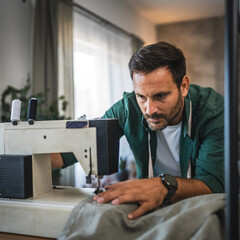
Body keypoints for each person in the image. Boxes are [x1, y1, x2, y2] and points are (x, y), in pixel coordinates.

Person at [52, 41, 224, 220]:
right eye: (142, 96)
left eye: (161, 96)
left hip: (201, 209)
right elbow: (78, 145)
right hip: (152, 209)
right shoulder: (128, 108)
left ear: (183, 86)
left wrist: (163, 185)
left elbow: (213, 184)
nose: (150, 110)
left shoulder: (213, 112)